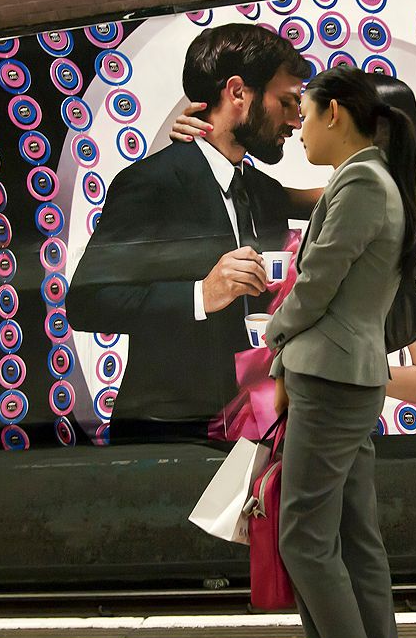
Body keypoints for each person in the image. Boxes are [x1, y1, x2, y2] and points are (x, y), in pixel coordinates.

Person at [68, 23, 312, 440]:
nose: (295, 119)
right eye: (286, 102)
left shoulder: (264, 193)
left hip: (255, 432)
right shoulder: (150, 182)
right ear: (238, 92)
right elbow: (87, 302)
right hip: (167, 438)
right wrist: (201, 295)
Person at [267, 66, 416, 638]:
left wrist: (275, 334)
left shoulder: (359, 182)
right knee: (356, 547)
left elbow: (317, 283)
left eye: (304, 116)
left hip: (330, 381)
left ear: (335, 113)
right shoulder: (372, 180)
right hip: (349, 380)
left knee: (303, 541)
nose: (299, 130)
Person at [171, 72, 416, 410]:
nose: (302, 128)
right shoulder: (344, 202)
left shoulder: (377, 223)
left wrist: (325, 366)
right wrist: (205, 143)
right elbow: (254, 191)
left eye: (319, 115)